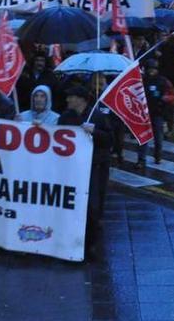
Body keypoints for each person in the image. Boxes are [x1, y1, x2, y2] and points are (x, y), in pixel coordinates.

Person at [57, 86, 114, 261]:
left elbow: (110, 140)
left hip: (93, 168)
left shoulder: (97, 116)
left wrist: (94, 132)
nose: (68, 101)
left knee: (91, 206)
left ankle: (90, 244)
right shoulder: (66, 117)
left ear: (81, 99)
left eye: (71, 97)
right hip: (72, 167)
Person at [136, 59, 174, 169]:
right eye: (150, 69)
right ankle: (141, 159)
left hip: (158, 113)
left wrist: (166, 98)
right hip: (144, 114)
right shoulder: (141, 81)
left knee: (158, 137)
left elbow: (173, 95)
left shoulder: (163, 81)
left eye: (153, 69)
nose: (151, 71)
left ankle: (158, 156)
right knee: (143, 137)